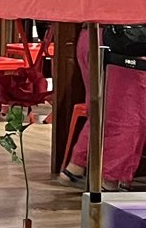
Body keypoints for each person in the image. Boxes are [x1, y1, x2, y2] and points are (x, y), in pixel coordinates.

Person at [61, 27, 146, 189]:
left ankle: (76, 166)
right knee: (128, 117)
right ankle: (111, 181)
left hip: (93, 36)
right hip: (124, 43)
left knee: (103, 109)